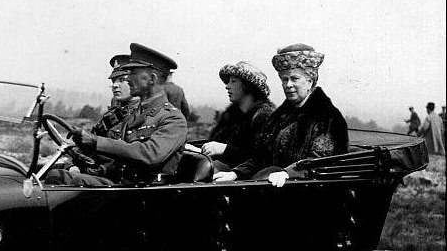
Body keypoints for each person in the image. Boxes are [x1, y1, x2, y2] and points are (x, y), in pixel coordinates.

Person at [48, 43, 187, 187]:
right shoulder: (134, 114)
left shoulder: (173, 119)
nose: (127, 79)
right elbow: (121, 160)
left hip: (146, 193)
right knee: (56, 177)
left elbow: (149, 155)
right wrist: (97, 168)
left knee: (78, 183)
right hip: (124, 186)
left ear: (151, 79)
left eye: (133, 73)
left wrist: (96, 142)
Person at [213, 43, 348, 188]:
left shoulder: (327, 118)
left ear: (310, 81)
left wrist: (287, 173)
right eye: (284, 79)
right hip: (277, 188)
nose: (288, 84)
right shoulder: (279, 117)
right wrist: (236, 173)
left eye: (294, 78)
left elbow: (321, 160)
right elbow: (261, 156)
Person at [199, 61, 275, 171]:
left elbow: (261, 157)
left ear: (247, 86)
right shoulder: (231, 117)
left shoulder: (264, 117)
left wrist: (225, 149)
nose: (227, 86)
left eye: (233, 81)